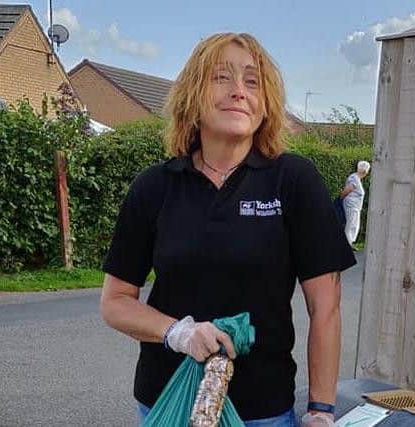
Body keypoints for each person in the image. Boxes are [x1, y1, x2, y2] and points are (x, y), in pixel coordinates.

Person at [99, 33, 355, 427]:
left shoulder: (294, 181)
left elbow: (326, 308)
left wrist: (321, 409)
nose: (239, 91)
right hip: (168, 402)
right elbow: (115, 301)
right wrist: (178, 333)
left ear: (265, 104)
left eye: (252, 82)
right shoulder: (155, 187)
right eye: (221, 77)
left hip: (262, 411)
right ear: (191, 97)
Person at [340, 161, 370, 247]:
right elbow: (347, 190)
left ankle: (348, 244)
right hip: (351, 207)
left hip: (354, 207)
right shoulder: (354, 178)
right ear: (365, 171)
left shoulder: (356, 178)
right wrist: (341, 199)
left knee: (353, 226)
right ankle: (346, 245)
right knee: (351, 226)